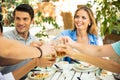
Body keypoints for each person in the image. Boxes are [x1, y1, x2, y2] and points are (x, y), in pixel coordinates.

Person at [2, 4, 56, 74]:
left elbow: (38, 64)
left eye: (25, 19)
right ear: (14, 19)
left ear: (32, 21)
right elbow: (3, 61)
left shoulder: (35, 40)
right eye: (17, 18)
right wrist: (30, 50)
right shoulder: (5, 39)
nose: (21, 23)